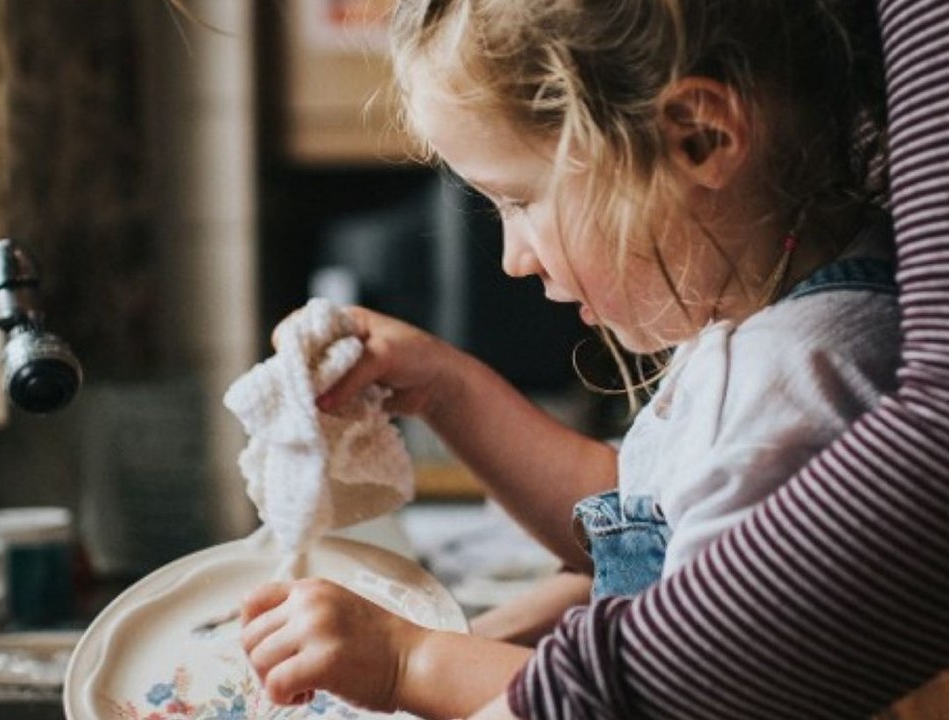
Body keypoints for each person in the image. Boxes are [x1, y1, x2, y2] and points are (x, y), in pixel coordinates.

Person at [238, 2, 912, 719]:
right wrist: (447, 389)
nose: (512, 258)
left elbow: (682, 695)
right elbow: (637, 520)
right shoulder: (776, 322)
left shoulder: (795, 390)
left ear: (699, 136)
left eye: (520, 200)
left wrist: (409, 662)